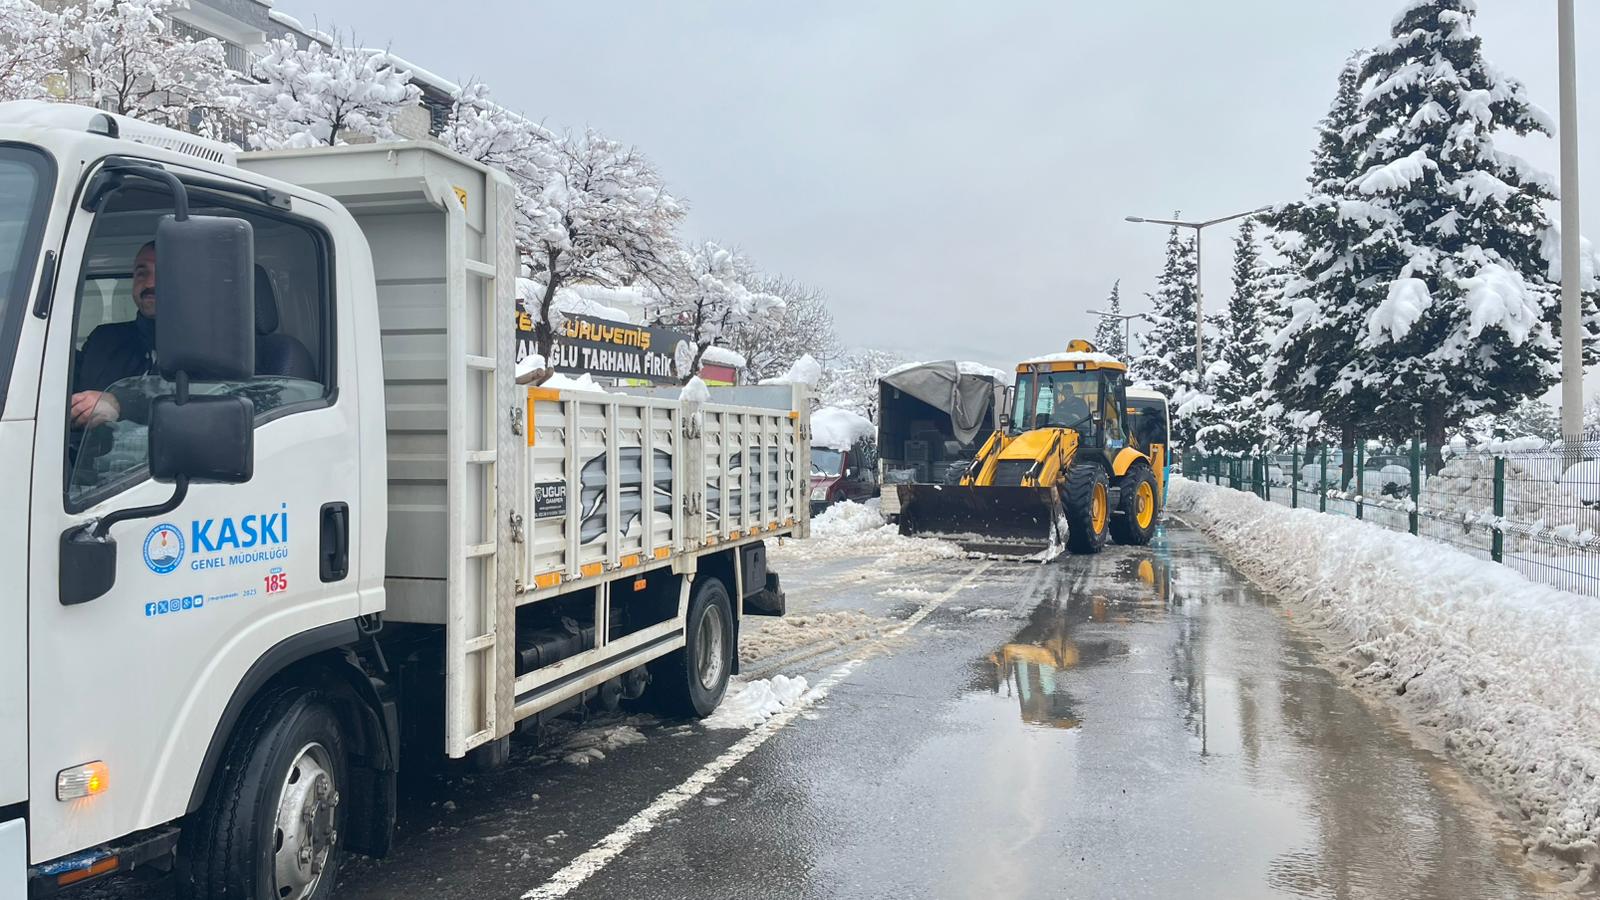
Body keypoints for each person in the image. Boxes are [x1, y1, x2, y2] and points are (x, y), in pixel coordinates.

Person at [71, 241, 158, 430]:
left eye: (164, 273)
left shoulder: (208, 344)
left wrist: (118, 403)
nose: (150, 283)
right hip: (89, 458)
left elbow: (206, 395)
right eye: (142, 273)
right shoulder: (103, 340)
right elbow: (60, 386)